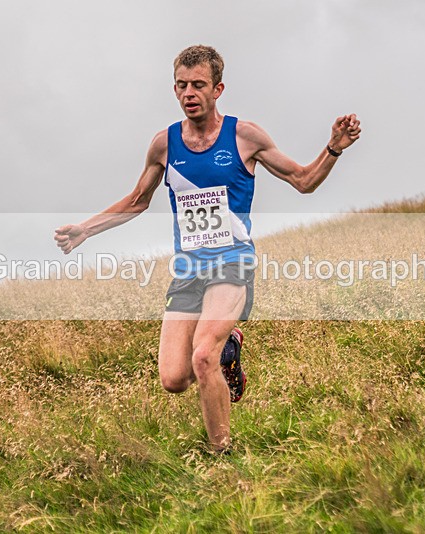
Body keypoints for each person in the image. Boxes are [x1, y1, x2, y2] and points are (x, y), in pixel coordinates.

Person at [54, 45, 361, 452]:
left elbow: (303, 180)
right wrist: (85, 230)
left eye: (198, 85)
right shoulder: (164, 145)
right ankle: (229, 346)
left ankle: (222, 452)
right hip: (188, 271)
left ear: (218, 88)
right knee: (174, 379)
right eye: (181, 85)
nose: (189, 93)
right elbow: (136, 201)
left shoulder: (244, 136)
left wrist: (334, 147)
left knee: (203, 357)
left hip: (233, 263)